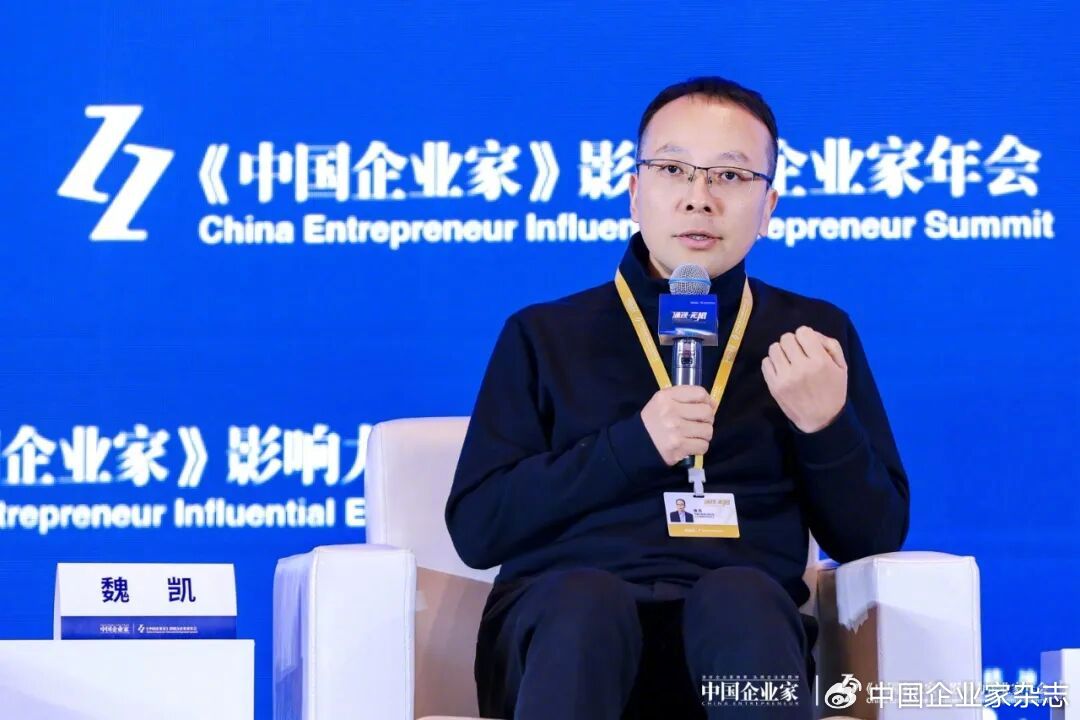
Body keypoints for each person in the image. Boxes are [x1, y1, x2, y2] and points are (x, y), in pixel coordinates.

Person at [445, 76, 909, 720]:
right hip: (565, 648)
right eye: (673, 170)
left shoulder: (811, 338)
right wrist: (631, 446)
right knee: (585, 602)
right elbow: (477, 528)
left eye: (731, 176)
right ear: (635, 193)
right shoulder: (544, 334)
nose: (699, 198)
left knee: (741, 599)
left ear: (768, 207)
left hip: (738, 649)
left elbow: (873, 537)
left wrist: (825, 428)